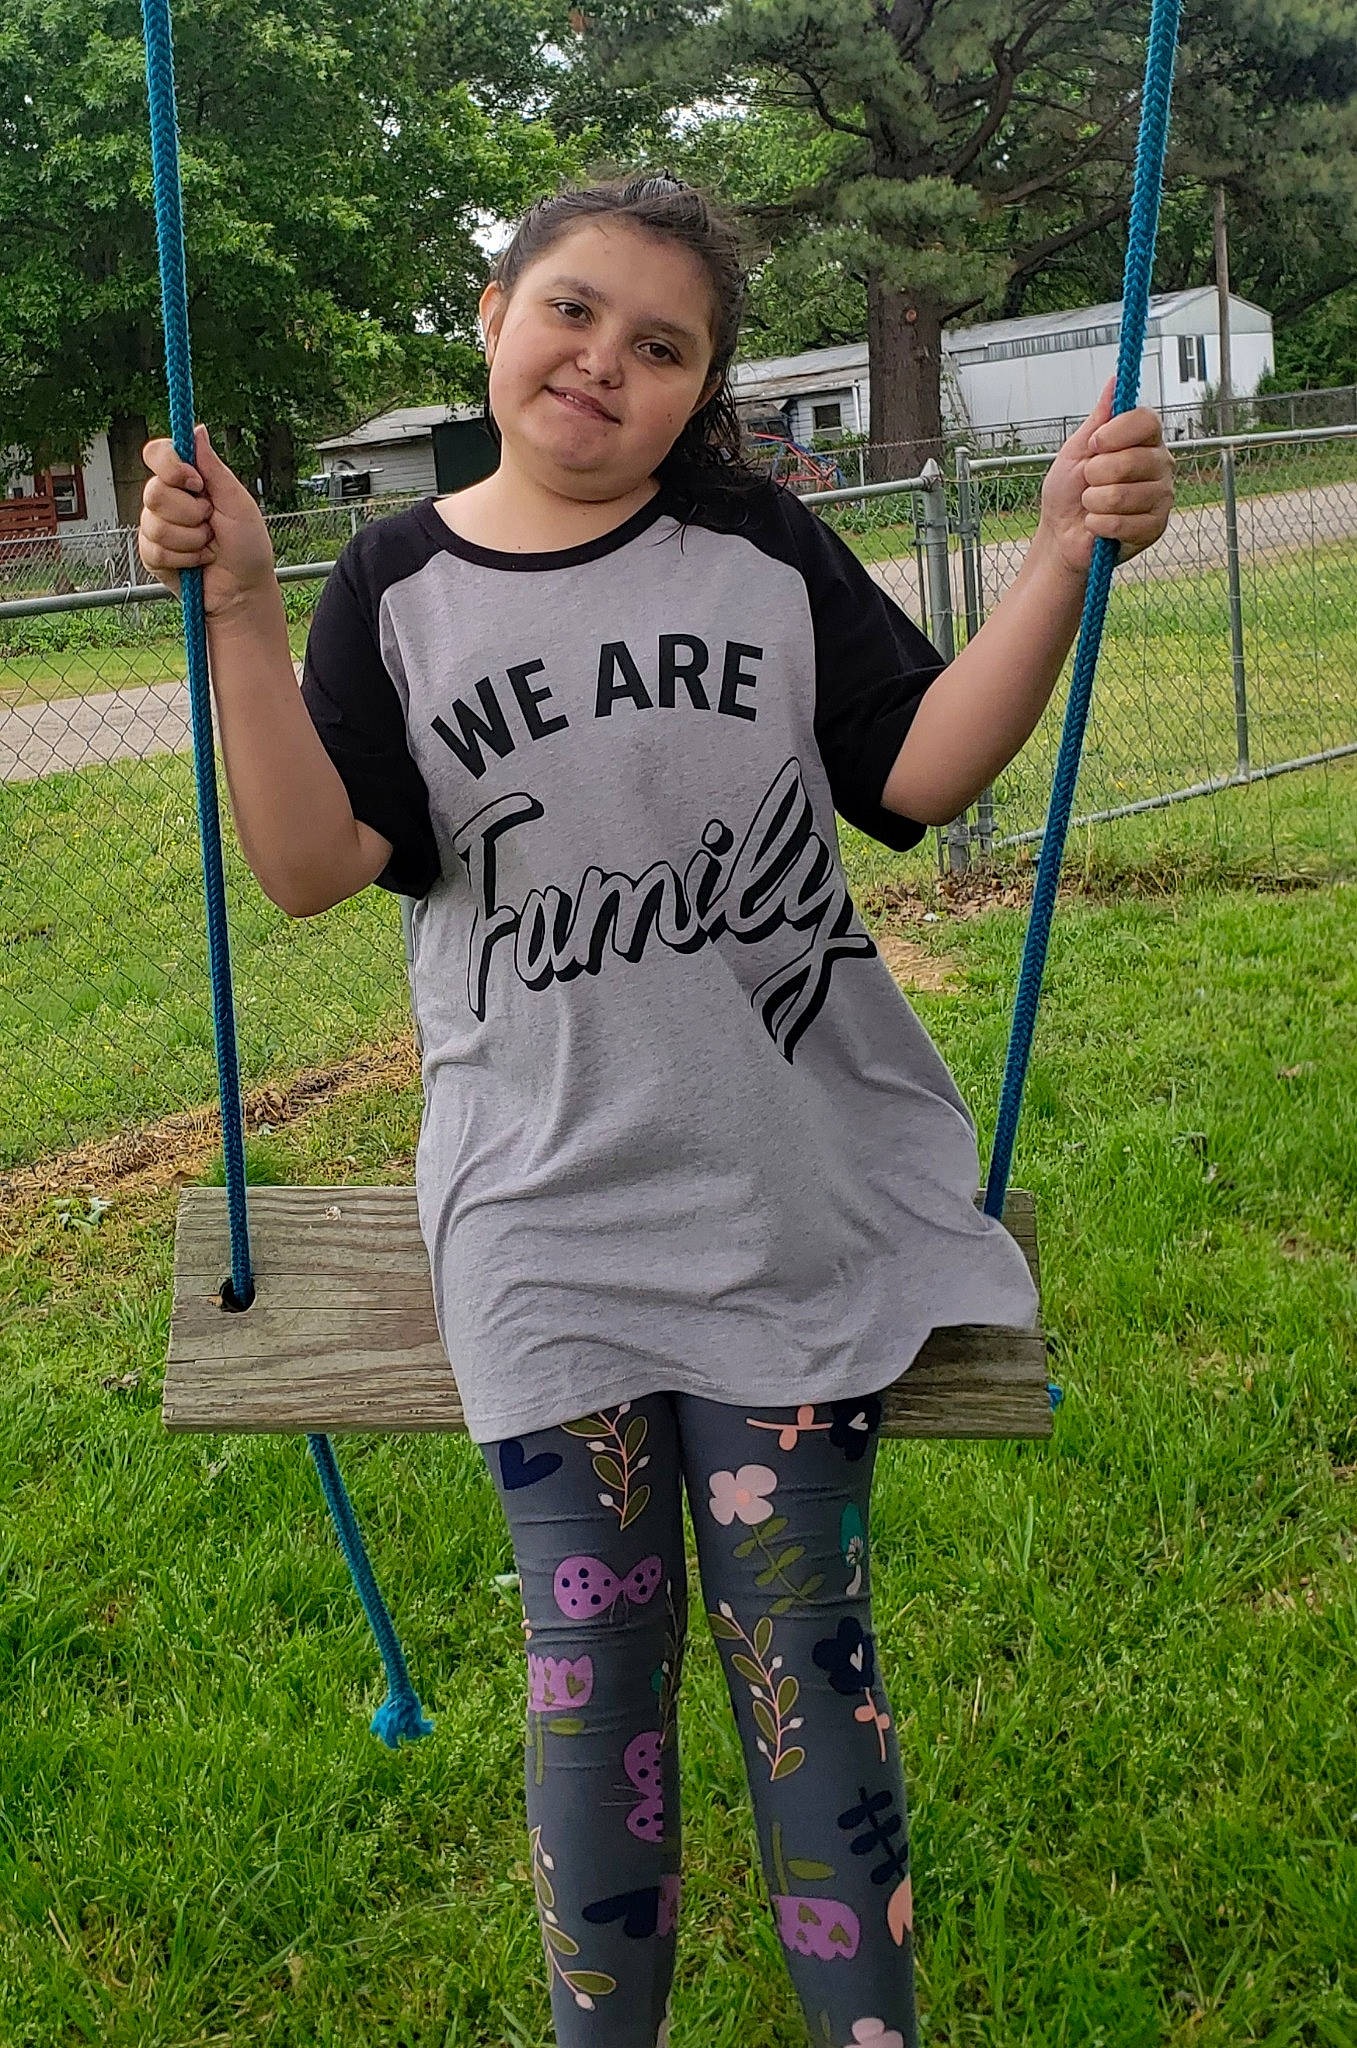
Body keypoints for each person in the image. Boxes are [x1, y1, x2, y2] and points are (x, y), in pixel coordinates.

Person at [139, 171, 1173, 2048]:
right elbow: (309, 868)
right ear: (491, 313)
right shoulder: (396, 585)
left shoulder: (758, 554)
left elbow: (919, 772)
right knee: (587, 1679)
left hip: (786, 1202)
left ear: (703, 391)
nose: (605, 363)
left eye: (662, 345)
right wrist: (232, 609)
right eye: (575, 313)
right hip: (542, 1221)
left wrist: (1049, 561)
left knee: (803, 1665)